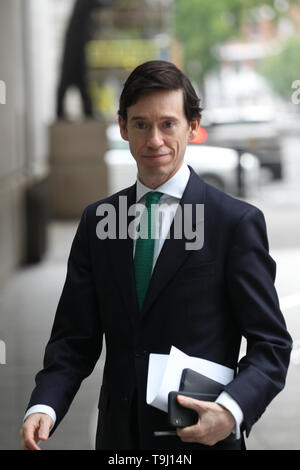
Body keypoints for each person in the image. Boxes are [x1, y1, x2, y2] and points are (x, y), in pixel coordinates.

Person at [20, 60, 292, 450]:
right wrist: (44, 405)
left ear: (192, 127)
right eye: (141, 124)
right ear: (122, 127)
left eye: (168, 124)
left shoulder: (234, 223)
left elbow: (271, 345)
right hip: (120, 441)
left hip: (201, 439)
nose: (154, 140)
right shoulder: (98, 221)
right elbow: (73, 339)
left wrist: (231, 411)